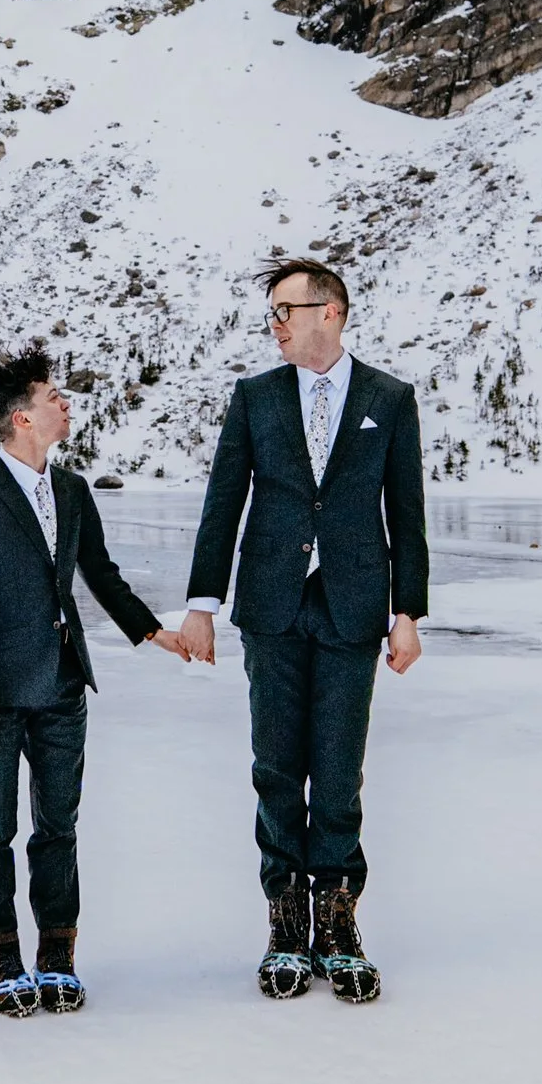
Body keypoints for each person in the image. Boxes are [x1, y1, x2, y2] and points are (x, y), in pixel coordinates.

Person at [180, 259, 427, 1001]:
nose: (277, 325)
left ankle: (339, 921)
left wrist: (406, 612)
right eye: (273, 314)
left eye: (288, 310)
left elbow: (406, 513)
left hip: (353, 603)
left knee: (340, 770)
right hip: (272, 604)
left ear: (333, 313)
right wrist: (202, 600)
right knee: (278, 767)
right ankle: (286, 922)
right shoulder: (255, 397)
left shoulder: (390, 397)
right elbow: (225, 500)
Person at [0, 344, 190, 1017]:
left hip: (64, 685)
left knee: (59, 829)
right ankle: (0, 956)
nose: (65, 404)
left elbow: (99, 574)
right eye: (54, 397)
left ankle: (57, 956)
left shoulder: (72, 491)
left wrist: (149, 630)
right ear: (22, 418)